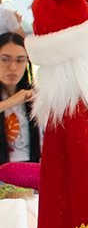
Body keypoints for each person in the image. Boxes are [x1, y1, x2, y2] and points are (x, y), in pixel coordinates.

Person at [0, 33, 39, 166]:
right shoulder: (20, 97)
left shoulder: (34, 95)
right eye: (5, 59)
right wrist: (10, 102)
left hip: (31, 170)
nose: (13, 67)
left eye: (20, 60)